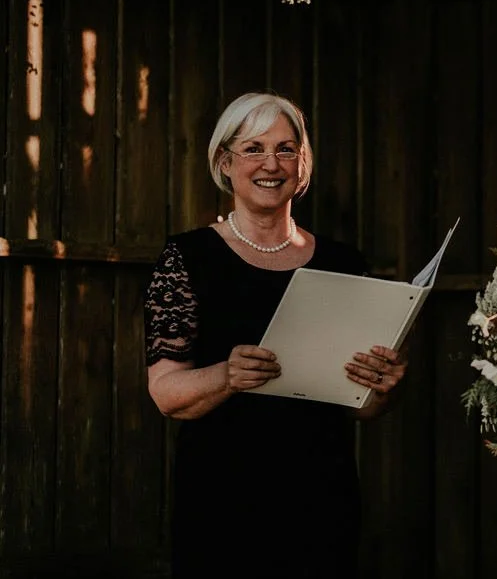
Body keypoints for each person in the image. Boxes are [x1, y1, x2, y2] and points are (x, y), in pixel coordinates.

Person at [144, 92, 406, 578]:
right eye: (254, 148)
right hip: (221, 500)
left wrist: (383, 386)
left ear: (302, 164)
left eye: (287, 149)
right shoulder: (188, 258)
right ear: (225, 162)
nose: (272, 163)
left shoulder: (344, 264)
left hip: (321, 496)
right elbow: (166, 394)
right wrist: (228, 375)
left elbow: (363, 406)